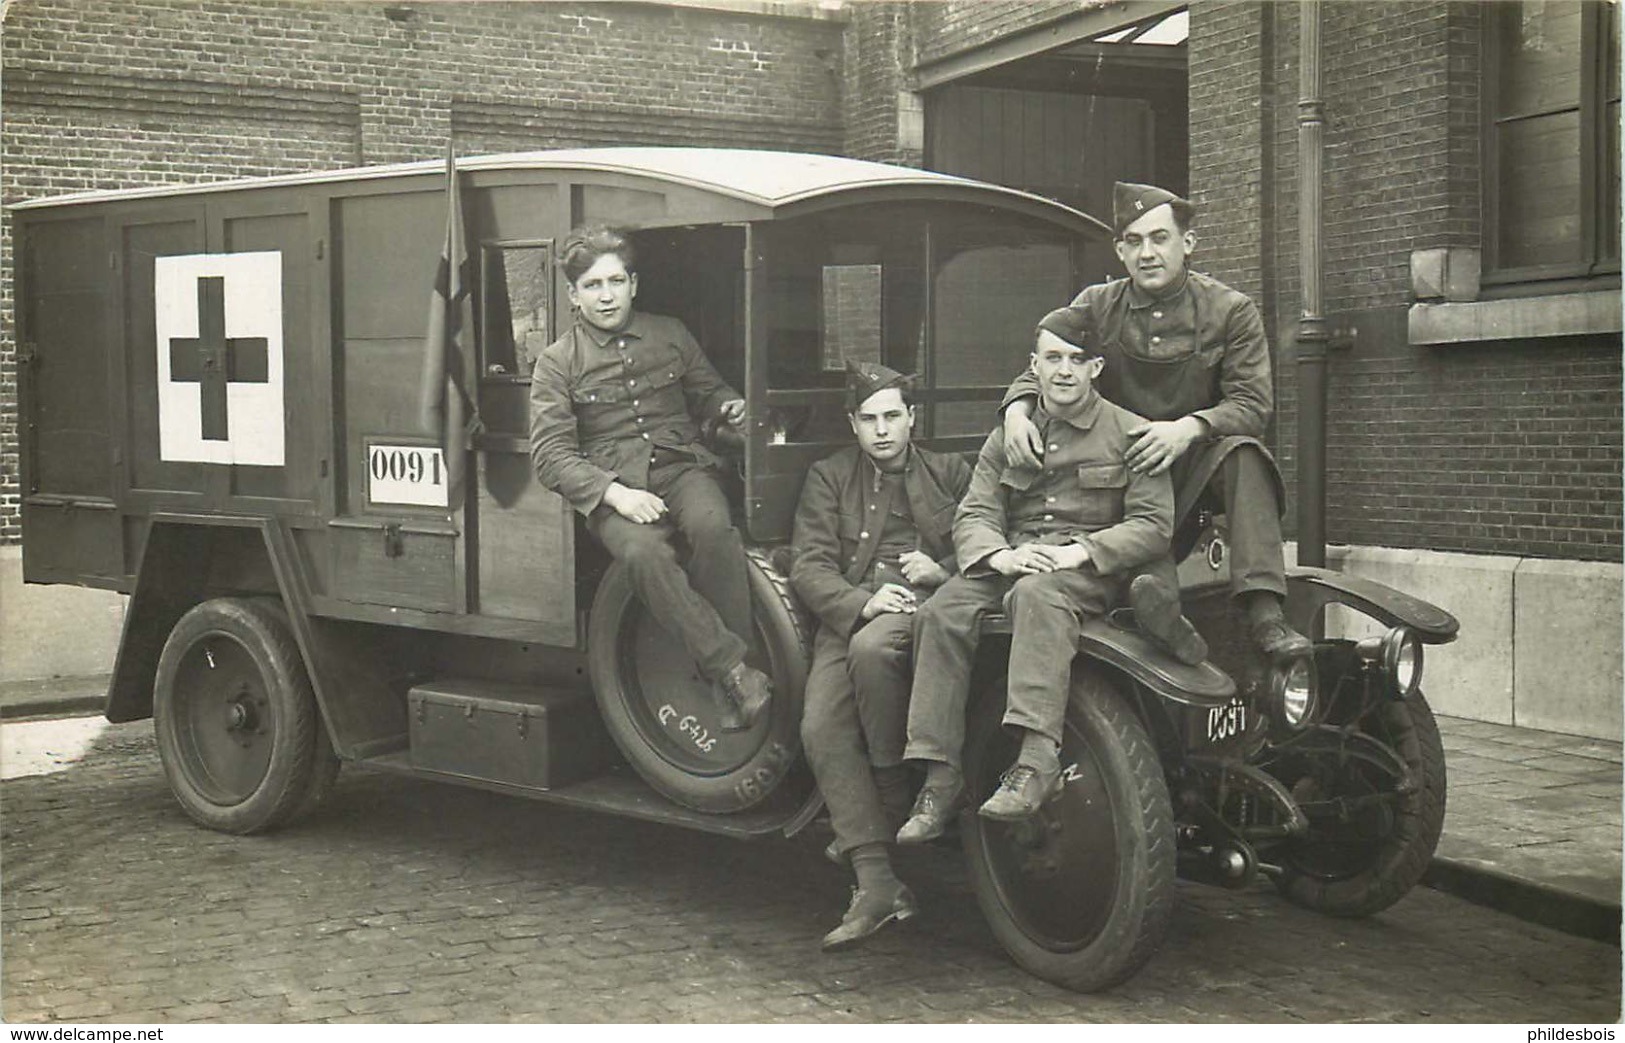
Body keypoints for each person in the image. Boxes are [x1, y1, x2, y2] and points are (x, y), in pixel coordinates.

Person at [1000, 181, 1310, 664]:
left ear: (1187, 243)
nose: (1148, 253)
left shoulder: (1231, 311)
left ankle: (1265, 614)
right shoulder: (1097, 305)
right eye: (1135, 241)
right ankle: (1156, 612)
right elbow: (1043, 361)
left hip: (1192, 472)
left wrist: (1189, 428)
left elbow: (1253, 405)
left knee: (1245, 454)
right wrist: (1017, 411)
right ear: (1120, 250)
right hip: (1118, 475)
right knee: (1143, 552)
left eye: (1159, 238)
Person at [895, 308, 1174, 840]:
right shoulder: (1011, 433)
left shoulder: (1130, 432)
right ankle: (941, 775)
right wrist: (999, 556)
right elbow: (975, 511)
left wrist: (1080, 552)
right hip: (1015, 559)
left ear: (1095, 368)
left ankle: (1036, 758)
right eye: (1052, 359)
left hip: (1085, 571)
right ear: (1034, 366)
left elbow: (1153, 526)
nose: (1064, 371)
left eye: (1075, 360)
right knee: (940, 611)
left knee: (1038, 596)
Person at [529, 225, 770, 731]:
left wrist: (730, 408)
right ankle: (732, 671)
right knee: (645, 554)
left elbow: (711, 393)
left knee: (713, 529)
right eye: (592, 285)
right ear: (573, 296)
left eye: (615, 281)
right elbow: (549, 455)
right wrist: (616, 495)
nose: (606, 294)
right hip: (613, 490)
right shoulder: (556, 363)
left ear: (633, 284)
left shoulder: (671, 334)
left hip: (683, 468)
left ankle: (734, 677)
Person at [790, 360, 972, 950]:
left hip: (934, 616)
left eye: (893, 415)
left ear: (912, 417)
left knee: (875, 654)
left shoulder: (951, 472)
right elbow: (810, 566)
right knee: (821, 726)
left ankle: (890, 795)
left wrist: (940, 571)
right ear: (853, 424)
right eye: (869, 419)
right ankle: (877, 883)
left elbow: (989, 543)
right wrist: (863, 601)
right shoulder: (829, 477)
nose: (883, 429)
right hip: (853, 618)